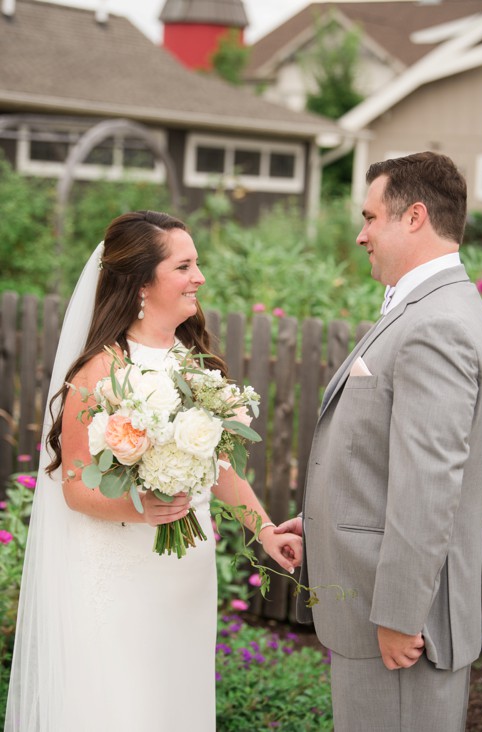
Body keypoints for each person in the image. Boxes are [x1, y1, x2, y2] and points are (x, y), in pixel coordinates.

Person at [4, 211, 303, 732]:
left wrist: (264, 529)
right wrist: (138, 509)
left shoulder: (195, 364)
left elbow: (220, 468)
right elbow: (74, 487)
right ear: (142, 282)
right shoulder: (100, 371)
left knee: (174, 700)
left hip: (186, 572)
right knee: (124, 703)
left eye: (197, 264)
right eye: (184, 266)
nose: (199, 278)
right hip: (122, 573)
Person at [274, 152, 482, 731]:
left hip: (397, 625)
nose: (361, 234)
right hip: (376, 607)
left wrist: (398, 613)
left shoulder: (438, 324)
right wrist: (318, 517)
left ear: (413, 216)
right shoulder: (424, 308)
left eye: (371, 217)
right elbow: (383, 456)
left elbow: (430, 484)